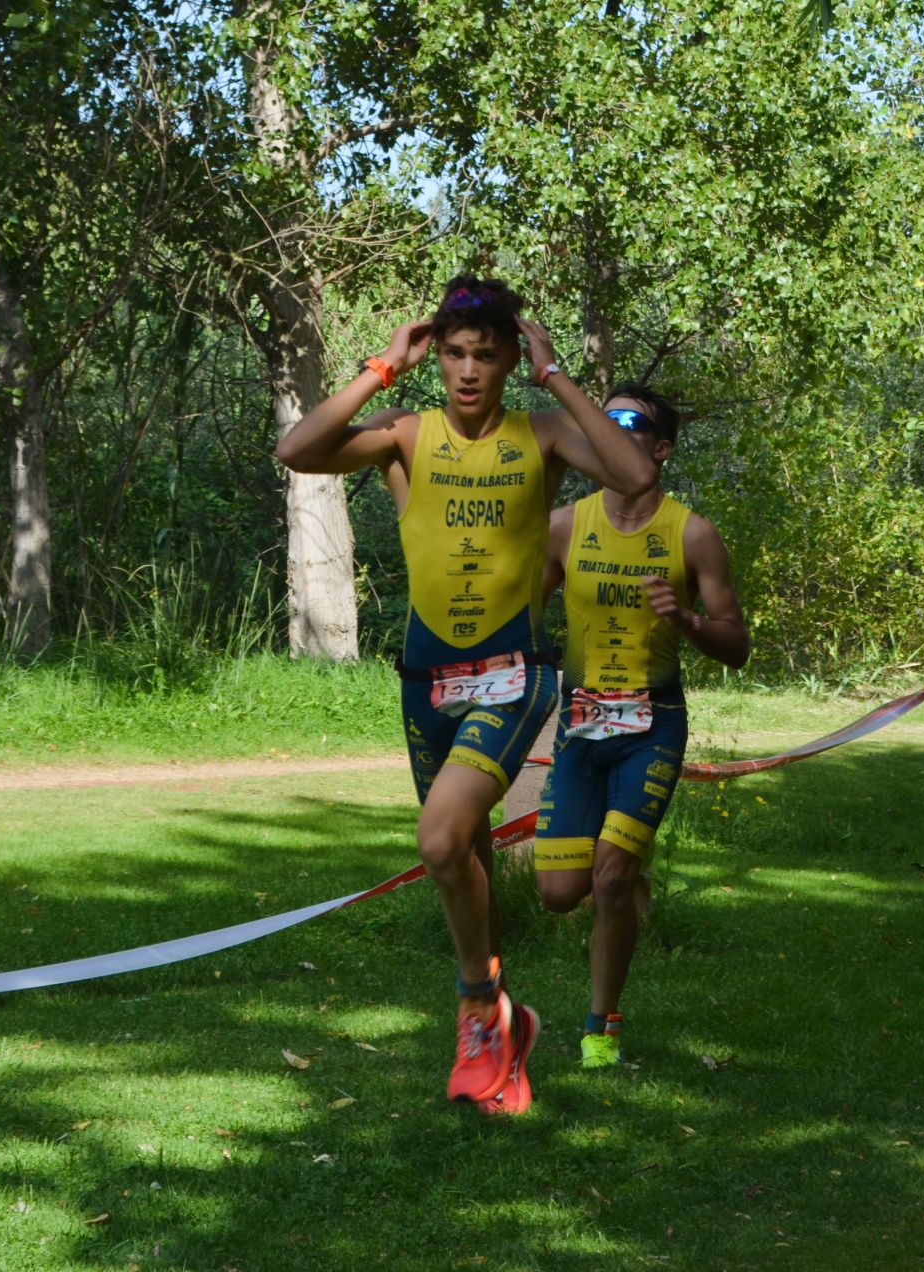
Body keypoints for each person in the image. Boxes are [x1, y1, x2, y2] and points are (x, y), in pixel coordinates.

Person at [273, 276, 657, 1116]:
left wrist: (557, 376)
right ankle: (504, 1043)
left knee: (439, 841)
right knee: (468, 855)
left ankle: (480, 1007)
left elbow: (631, 472)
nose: (469, 371)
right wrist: (382, 366)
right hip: (423, 682)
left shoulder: (544, 434)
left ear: (511, 358)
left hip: (514, 674)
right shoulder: (406, 435)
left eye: (487, 354)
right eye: (453, 353)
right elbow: (298, 451)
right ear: (436, 356)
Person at [534, 386, 750, 1069]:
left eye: (631, 424)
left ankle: (602, 1024)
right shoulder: (566, 525)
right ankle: (624, 882)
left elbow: (736, 644)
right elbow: (519, 611)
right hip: (579, 724)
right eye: (604, 418)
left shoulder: (692, 534)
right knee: (559, 893)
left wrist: (687, 621)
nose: (612, 430)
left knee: (611, 876)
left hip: (654, 724)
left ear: (660, 448)